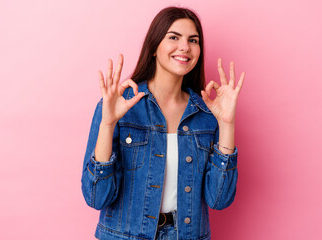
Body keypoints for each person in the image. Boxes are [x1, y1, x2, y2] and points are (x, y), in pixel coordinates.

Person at [81, 6, 245, 240]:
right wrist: (107, 124)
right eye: (174, 37)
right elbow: (96, 197)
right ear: (155, 47)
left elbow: (219, 200)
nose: (185, 47)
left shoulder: (207, 113)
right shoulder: (119, 106)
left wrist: (227, 124)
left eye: (193, 40)